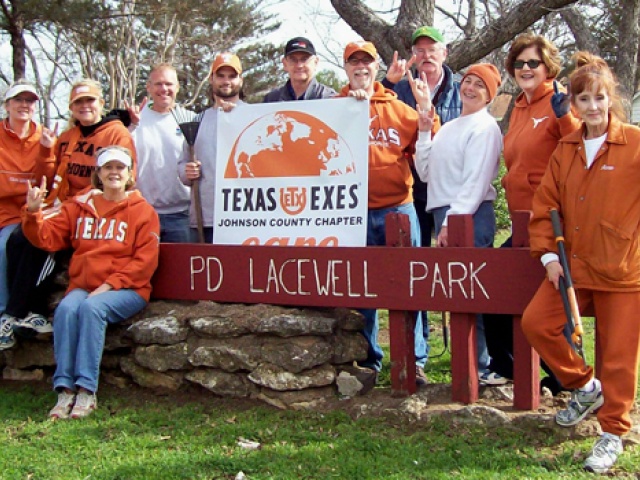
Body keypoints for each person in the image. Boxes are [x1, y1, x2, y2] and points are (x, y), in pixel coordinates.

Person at [521, 51, 640, 474]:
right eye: (583, 100)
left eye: (599, 99)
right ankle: (585, 387)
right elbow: (544, 206)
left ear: (611, 100)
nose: (592, 107)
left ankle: (612, 433)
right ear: (573, 104)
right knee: (537, 322)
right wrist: (550, 256)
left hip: (622, 270)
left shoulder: (635, 144)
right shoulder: (565, 149)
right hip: (573, 267)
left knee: (619, 357)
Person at [23, 145, 159, 419]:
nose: (114, 173)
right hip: (84, 286)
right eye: (108, 167)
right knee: (66, 309)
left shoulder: (143, 212)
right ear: (98, 173)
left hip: (128, 288)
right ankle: (64, 389)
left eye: (120, 167)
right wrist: (33, 213)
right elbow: (47, 238)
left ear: (130, 174)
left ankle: (86, 390)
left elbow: (144, 263)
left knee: (91, 309)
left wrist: (109, 285)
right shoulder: (79, 207)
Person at [0, 79, 136, 348]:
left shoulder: (115, 134)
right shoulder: (68, 136)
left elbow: (120, 176)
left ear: (100, 103)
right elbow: (51, 176)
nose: (85, 106)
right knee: (20, 237)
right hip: (65, 205)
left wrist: (79, 202)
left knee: (35, 239)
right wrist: (47, 151)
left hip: (93, 210)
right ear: (72, 108)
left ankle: (16, 312)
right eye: (78, 102)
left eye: (90, 101)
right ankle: (31, 313)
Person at [482, 34, 581, 394]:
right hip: (521, 220)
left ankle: (565, 379)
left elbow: (576, 147)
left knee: (553, 301)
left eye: (533, 63)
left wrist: (565, 116)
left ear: (547, 66)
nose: (526, 69)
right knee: (494, 284)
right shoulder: (518, 107)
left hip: (553, 222)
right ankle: (505, 365)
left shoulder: (559, 101)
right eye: (519, 63)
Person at [338, 40, 433, 386]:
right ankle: (367, 362)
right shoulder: (332, 109)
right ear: (345, 69)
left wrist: (426, 110)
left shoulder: (400, 110)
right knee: (361, 291)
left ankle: (414, 360)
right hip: (351, 214)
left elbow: (428, 154)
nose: (360, 68)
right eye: (353, 63)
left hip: (399, 210)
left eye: (366, 61)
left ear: (376, 66)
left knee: (410, 286)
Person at [413, 63, 506, 386]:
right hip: (445, 214)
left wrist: (454, 221)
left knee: (472, 292)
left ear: (489, 95)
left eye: (480, 85)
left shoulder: (485, 127)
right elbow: (425, 173)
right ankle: (466, 367)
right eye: (467, 81)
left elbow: (476, 181)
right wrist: (425, 130)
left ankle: (478, 368)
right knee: (456, 293)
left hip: (470, 215)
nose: (470, 88)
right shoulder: (451, 126)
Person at [382, 26, 463, 366]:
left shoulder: (462, 91)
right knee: (413, 270)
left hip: (448, 191)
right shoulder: (398, 89)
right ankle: (417, 354)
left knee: (456, 271)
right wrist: (387, 84)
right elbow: (375, 116)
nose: (427, 56)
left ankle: (467, 353)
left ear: (445, 54)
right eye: (421, 50)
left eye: (433, 50)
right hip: (409, 190)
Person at [0, 80, 56, 345]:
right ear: (7, 105)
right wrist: (18, 186)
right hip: (2, 211)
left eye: (29, 101)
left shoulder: (44, 136)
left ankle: (5, 316)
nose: (24, 105)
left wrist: (46, 150)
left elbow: (43, 183)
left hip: (24, 214)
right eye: (18, 100)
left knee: (5, 247)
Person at [179, 52, 244, 243]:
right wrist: (186, 172)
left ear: (241, 80)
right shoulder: (197, 121)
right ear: (211, 79)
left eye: (232, 76)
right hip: (206, 219)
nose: (226, 81)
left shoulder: (253, 116)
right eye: (220, 76)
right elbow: (182, 164)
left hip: (244, 219)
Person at [129, 63, 192, 243]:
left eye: (169, 84)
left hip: (181, 216)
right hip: (141, 212)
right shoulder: (135, 119)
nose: (164, 89)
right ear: (148, 87)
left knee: (181, 270)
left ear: (177, 87)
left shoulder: (189, 119)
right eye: (158, 84)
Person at [263, 37, 335, 102]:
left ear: (315, 62)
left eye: (304, 59)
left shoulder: (330, 98)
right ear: (285, 64)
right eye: (293, 60)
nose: (299, 65)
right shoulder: (271, 100)